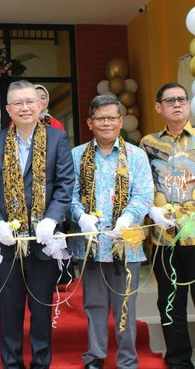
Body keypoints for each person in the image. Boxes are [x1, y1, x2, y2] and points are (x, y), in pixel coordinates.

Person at [0, 80, 74, 369]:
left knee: (41, 308)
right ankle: (11, 364)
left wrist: (51, 218)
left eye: (29, 102)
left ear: (40, 105)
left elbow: (65, 184)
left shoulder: (57, 139)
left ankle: (40, 363)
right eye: (17, 103)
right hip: (8, 240)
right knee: (9, 309)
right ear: (8, 109)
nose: (24, 107)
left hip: (44, 240)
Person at [70, 95, 153, 369]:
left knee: (125, 308)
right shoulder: (77, 155)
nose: (106, 123)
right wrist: (81, 217)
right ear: (89, 122)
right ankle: (95, 355)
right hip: (90, 246)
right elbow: (69, 196)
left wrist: (127, 219)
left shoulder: (137, 156)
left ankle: (127, 359)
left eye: (111, 118)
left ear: (120, 121)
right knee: (93, 306)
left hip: (125, 245)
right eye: (100, 118)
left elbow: (143, 196)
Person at [139, 82, 195, 369]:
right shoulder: (148, 144)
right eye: (170, 100)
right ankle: (180, 361)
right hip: (164, 238)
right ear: (158, 107)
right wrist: (153, 211)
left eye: (182, 99)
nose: (177, 104)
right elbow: (143, 185)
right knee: (171, 303)